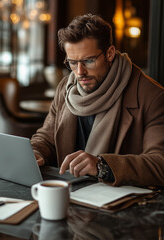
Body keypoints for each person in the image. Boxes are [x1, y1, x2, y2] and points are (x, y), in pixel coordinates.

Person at [31, 13, 164, 187]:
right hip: (71, 194)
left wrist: (102, 166)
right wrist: (36, 152)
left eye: (88, 61)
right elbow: (46, 138)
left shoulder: (152, 96)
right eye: (72, 62)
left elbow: (160, 163)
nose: (79, 72)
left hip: (120, 206)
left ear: (109, 53)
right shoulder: (65, 88)